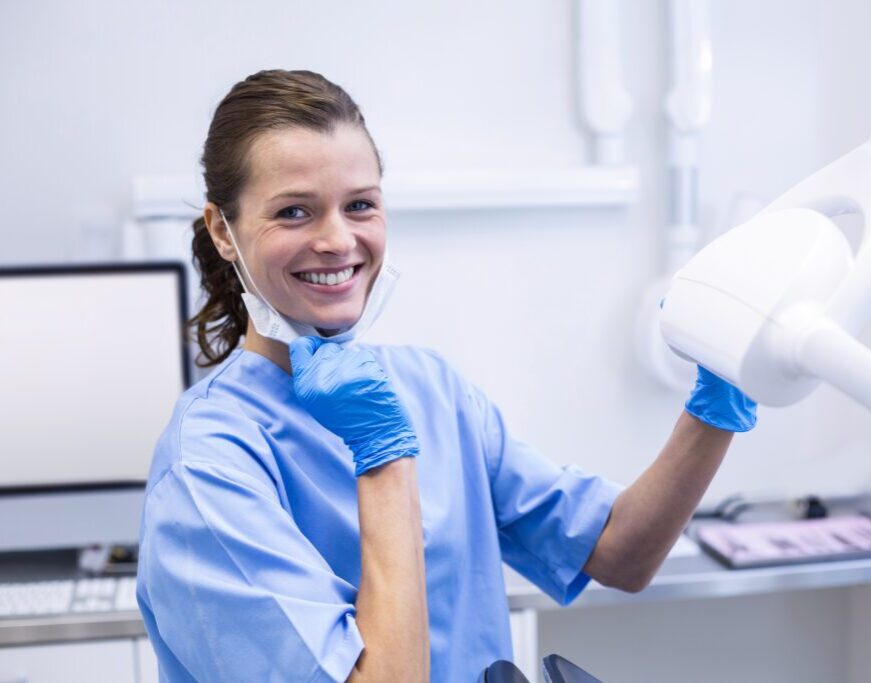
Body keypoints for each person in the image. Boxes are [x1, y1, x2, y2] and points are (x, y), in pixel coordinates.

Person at [136, 69, 757, 682]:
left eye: (360, 206)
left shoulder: (430, 388)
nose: (337, 239)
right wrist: (385, 456)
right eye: (294, 212)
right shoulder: (208, 463)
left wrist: (717, 400)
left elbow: (622, 553)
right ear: (223, 230)